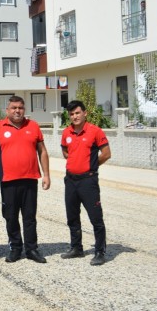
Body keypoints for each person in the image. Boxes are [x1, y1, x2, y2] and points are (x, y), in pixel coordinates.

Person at [0, 96, 50, 264]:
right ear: (7, 110)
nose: (17, 110)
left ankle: (32, 249)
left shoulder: (33, 126)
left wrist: (46, 174)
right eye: (14, 108)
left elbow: (42, 151)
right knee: (10, 216)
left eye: (20, 108)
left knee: (29, 216)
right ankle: (15, 248)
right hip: (8, 181)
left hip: (30, 179)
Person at [60, 100, 111, 266]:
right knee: (72, 216)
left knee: (96, 218)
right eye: (72, 114)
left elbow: (106, 153)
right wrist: (75, 161)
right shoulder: (66, 132)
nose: (75, 116)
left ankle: (100, 252)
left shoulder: (95, 131)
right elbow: (65, 151)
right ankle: (76, 248)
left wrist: (91, 165)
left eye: (77, 113)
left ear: (85, 113)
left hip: (88, 181)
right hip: (71, 180)